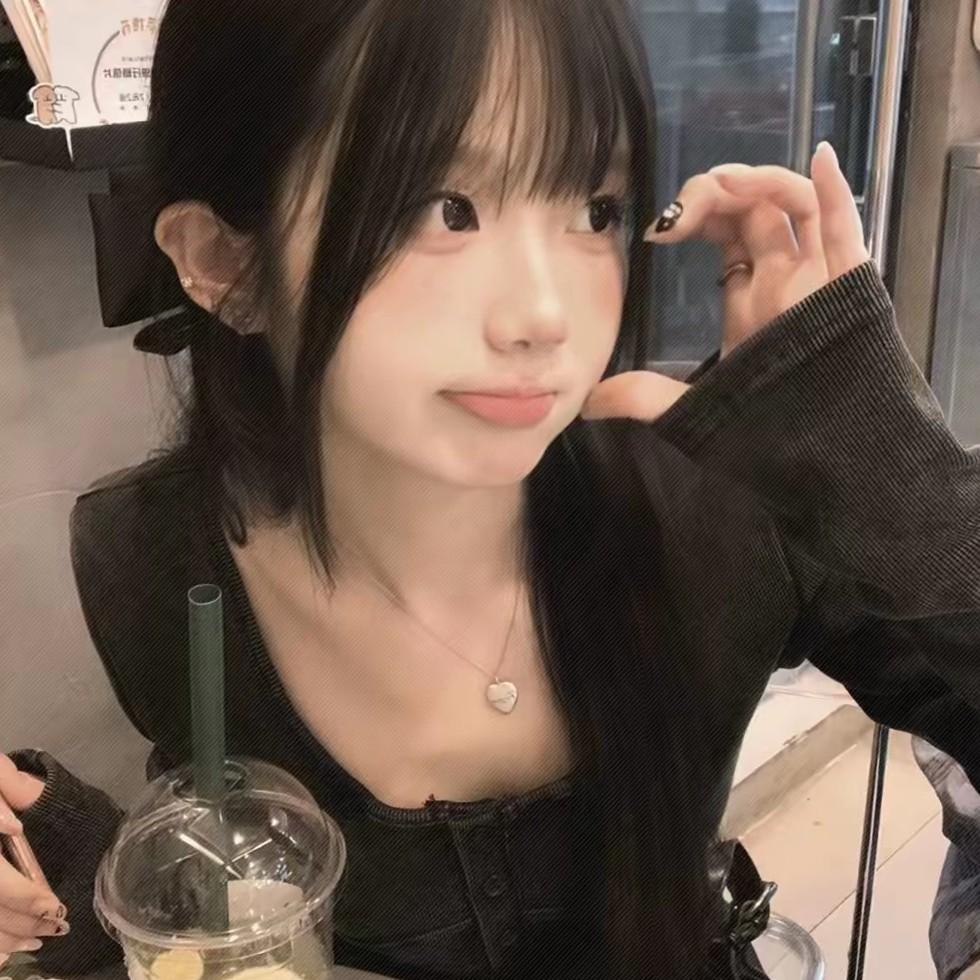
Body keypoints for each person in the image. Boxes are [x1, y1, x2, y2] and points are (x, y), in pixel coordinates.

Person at [1, 1, 978, 978]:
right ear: (228, 262)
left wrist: (868, 443)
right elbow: (233, 896)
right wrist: (70, 855)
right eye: (446, 209)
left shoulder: (711, 491)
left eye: (595, 208)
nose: (545, 315)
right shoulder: (154, 556)